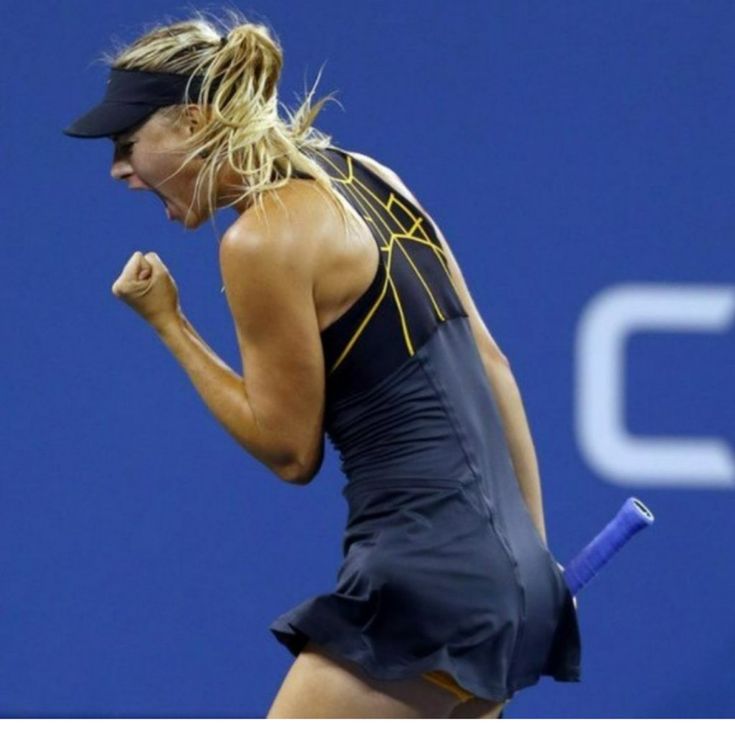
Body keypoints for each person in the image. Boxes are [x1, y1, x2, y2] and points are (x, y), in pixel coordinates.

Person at [64, 11, 581, 719]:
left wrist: (171, 325)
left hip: (426, 590)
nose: (121, 169)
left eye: (128, 144)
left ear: (190, 120)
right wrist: (534, 562)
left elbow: (288, 450)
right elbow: (494, 367)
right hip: (504, 581)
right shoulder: (371, 178)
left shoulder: (262, 238)